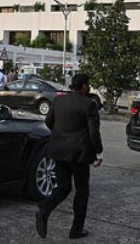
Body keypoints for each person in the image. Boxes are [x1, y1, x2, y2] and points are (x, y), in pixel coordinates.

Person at [35, 73, 102, 240]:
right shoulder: (89, 105)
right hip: (79, 155)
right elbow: (94, 133)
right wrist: (98, 152)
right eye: (89, 84)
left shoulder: (59, 100)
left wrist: (60, 136)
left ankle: (44, 209)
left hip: (59, 151)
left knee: (63, 187)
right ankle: (76, 230)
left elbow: (49, 122)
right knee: (82, 192)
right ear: (85, 86)